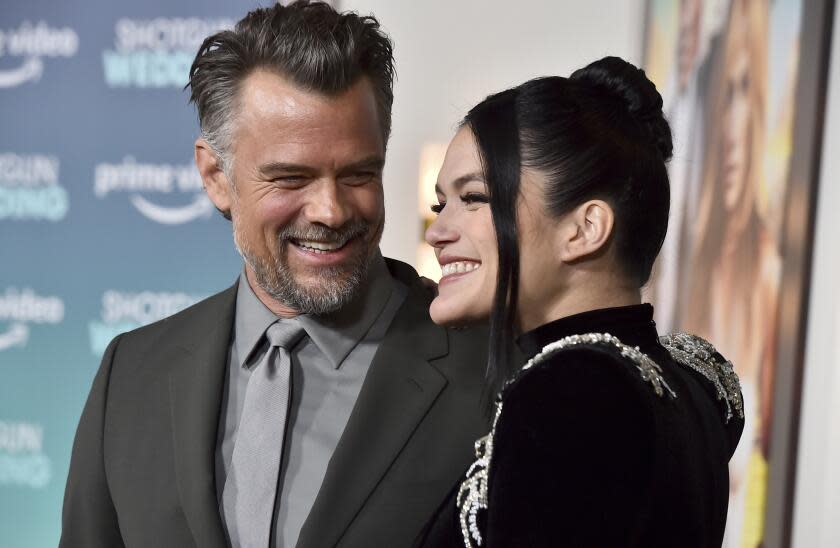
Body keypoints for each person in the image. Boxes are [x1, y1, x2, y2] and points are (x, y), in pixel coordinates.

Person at [59, 3, 488, 547]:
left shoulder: (492, 368)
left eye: (358, 174)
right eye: (291, 178)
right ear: (217, 177)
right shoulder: (133, 373)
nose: (330, 211)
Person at [418, 57, 744, 547]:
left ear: (584, 229)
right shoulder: (696, 374)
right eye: (442, 204)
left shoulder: (571, 391)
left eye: (476, 198)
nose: (439, 232)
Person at [682, 0, 780, 544]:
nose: (732, 130)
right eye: (721, 96)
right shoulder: (682, 263)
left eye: (743, 91)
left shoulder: (765, 270)